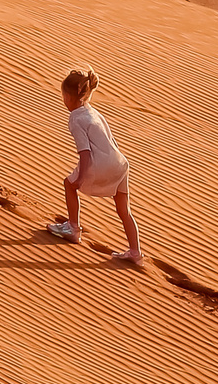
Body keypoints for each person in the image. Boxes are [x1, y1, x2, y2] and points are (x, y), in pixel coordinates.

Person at [46, 65, 145, 265]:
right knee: (124, 209)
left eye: (64, 96)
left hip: (98, 163)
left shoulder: (75, 119)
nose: (63, 100)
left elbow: (85, 152)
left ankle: (73, 228)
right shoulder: (93, 112)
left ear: (71, 97)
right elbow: (111, 141)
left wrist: (81, 177)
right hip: (120, 164)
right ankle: (135, 252)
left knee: (69, 184)